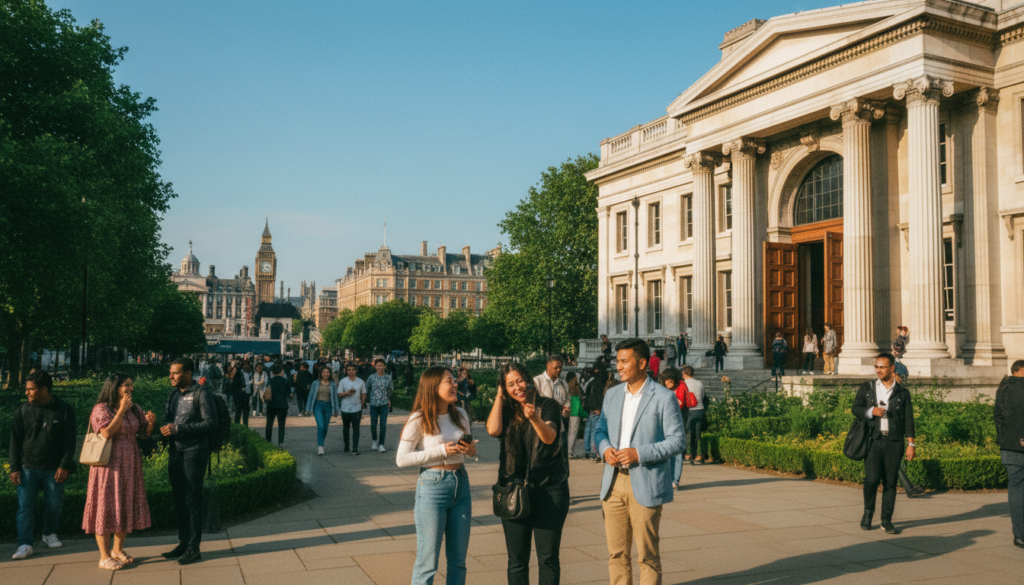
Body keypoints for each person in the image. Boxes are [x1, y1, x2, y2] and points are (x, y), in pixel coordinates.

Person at [595, 338, 685, 585]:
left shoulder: (663, 397)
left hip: (645, 482)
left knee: (647, 556)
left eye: (624, 361)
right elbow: (600, 430)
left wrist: (639, 453)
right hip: (613, 483)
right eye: (618, 361)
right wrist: (604, 450)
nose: (619, 367)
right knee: (617, 554)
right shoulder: (612, 394)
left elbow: (678, 442)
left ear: (643, 363)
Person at [487, 362, 569, 585]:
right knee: (517, 561)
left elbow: (550, 437)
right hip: (513, 488)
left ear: (529, 380)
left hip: (549, 489)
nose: (518, 387)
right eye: (510, 384)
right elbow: (493, 430)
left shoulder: (548, 405)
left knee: (548, 559)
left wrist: (534, 418)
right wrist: (499, 396)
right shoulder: (506, 409)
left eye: (520, 380)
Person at [397, 367, 477, 585]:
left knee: (458, 561)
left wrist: (470, 451)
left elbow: (469, 452)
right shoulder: (419, 417)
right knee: (427, 563)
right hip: (433, 487)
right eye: (449, 381)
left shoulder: (461, 414)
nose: (455, 384)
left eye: (454, 380)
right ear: (433, 387)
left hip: (461, 484)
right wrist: (441, 451)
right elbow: (402, 459)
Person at [83, 373, 156, 570]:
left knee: (124, 503)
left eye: (131, 385)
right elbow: (106, 433)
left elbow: (142, 433)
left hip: (130, 463)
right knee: (106, 506)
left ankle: (117, 550)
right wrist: (122, 411)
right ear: (115, 387)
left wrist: (150, 423)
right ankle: (104, 556)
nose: (131, 389)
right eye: (126, 385)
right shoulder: (101, 409)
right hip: (108, 465)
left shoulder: (135, 408)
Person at [9, 371, 77, 560]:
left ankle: (49, 534)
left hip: (54, 469)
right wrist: (14, 467)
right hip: (27, 468)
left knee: (54, 505)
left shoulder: (64, 410)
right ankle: (25, 543)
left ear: (44, 389)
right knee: (25, 508)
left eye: (31, 389)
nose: (27, 393)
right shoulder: (22, 410)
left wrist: (64, 465)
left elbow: (69, 441)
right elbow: (15, 440)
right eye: (27, 389)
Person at [851, 353, 916, 535]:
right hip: (873, 440)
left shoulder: (902, 393)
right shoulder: (868, 388)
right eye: (876, 367)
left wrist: (911, 444)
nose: (878, 370)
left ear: (892, 368)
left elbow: (909, 420)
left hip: (894, 442)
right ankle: (867, 514)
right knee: (871, 480)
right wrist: (871, 411)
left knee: (890, 482)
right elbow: (855, 409)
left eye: (882, 367)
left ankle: (886, 520)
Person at [160, 358, 216, 565]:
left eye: (175, 373)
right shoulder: (173, 395)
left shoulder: (201, 393)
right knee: (179, 500)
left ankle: (194, 547)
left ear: (188, 373)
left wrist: (180, 429)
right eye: (170, 373)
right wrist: (165, 428)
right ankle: (183, 543)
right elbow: (168, 418)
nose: (171, 376)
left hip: (194, 452)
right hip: (175, 452)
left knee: (192, 500)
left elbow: (211, 423)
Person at [994, 360, 1024, 549]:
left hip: (1009, 445)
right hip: (1018, 442)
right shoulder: (1020, 388)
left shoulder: (1002, 388)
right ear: (1019, 371)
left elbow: (998, 417)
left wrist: (1007, 438)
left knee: (1016, 489)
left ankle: (1019, 534)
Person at [534, 355, 571, 468]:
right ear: (548, 366)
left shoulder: (563, 384)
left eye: (560, 367)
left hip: (561, 429)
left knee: (561, 460)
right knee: (542, 459)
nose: (559, 370)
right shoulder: (537, 381)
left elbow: (568, 402)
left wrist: (566, 411)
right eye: (556, 367)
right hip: (543, 427)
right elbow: (533, 403)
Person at [659, 368, 687, 489]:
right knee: (667, 452)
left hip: (678, 424)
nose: (667, 383)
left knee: (677, 453)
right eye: (666, 380)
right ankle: (668, 478)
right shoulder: (663, 391)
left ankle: (675, 479)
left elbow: (681, 404)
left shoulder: (680, 388)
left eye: (670, 381)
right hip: (665, 424)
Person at [306, 364, 340, 455]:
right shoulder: (315, 383)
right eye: (324, 372)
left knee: (325, 428)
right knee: (320, 426)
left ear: (330, 374)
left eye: (327, 372)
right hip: (318, 406)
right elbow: (310, 396)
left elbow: (335, 398)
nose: (326, 374)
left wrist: (336, 410)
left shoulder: (332, 384)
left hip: (328, 406)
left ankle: (321, 441)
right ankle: (320, 446)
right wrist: (308, 409)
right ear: (321, 373)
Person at [367, 358, 395, 453]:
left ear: (384, 367)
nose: (379, 367)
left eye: (381, 365)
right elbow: (367, 388)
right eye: (378, 365)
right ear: (375, 366)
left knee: (383, 425)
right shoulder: (371, 377)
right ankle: (374, 440)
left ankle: (381, 444)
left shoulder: (388, 378)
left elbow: (390, 390)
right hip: (373, 403)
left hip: (384, 403)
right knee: (373, 424)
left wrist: (389, 400)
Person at [339, 363, 367, 455]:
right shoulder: (343, 381)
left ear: (356, 370)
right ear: (346, 371)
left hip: (356, 408)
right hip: (345, 408)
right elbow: (339, 394)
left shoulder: (361, 382)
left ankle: (355, 448)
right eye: (349, 370)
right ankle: (346, 445)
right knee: (346, 428)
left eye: (352, 370)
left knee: (356, 428)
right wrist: (347, 393)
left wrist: (362, 404)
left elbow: (363, 393)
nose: (351, 372)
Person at [681, 366, 706, 465]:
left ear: (684, 374)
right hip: (700, 410)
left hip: (689, 410)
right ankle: (699, 455)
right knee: (698, 434)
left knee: (688, 432)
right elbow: (703, 395)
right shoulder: (699, 383)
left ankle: (688, 454)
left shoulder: (683, 384)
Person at [583, 367, 608, 462]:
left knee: (588, 431)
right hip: (597, 409)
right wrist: (600, 407)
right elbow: (599, 396)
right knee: (594, 431)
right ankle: (593, 452)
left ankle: (587, 450)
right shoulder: (600, 383)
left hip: (590, 409)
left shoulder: (591, 382)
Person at [264, 364, 292, 447]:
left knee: (269, 424)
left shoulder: (270, 380)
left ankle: (268, 441)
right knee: (281, 425)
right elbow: (289, 394)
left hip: (271, 405)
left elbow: (268, 391)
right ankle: (280, 442)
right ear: (281, 371)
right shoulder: (286, 381)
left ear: (272, 372)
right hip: (282, 405)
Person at [566, 373, 583, 459]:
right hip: (575, 410)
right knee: (573, 431)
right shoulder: (575, 386)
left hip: (569, 410)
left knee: (569, 431)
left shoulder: (566, 385)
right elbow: (578, 397)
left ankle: (568, 450)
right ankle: (570, 450)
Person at [229, 361, 249, 427]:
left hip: (239, 396)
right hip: (244, 396)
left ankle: (238, 426)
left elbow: (233, 387)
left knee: (239, 412)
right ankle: (244, 426)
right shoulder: (244, 374)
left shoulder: (238, 374)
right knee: (243, 412)